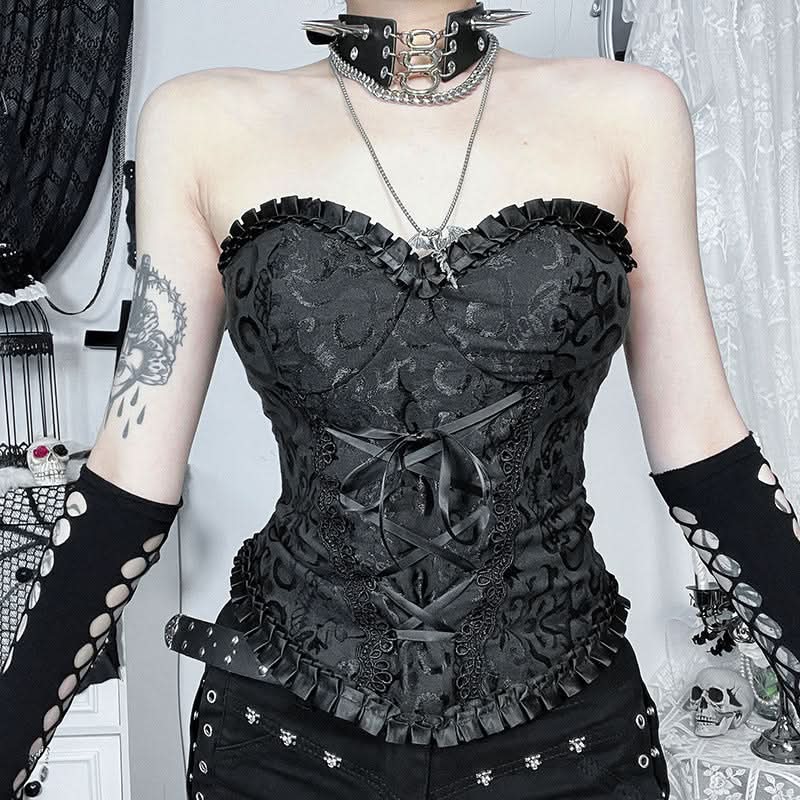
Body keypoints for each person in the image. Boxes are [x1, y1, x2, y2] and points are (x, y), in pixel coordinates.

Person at [3, 2, 799, 799]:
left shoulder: (632, 113)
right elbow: (129, 479)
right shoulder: (199, 123)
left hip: (568, 738)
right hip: (284, 741)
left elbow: (706, 454)